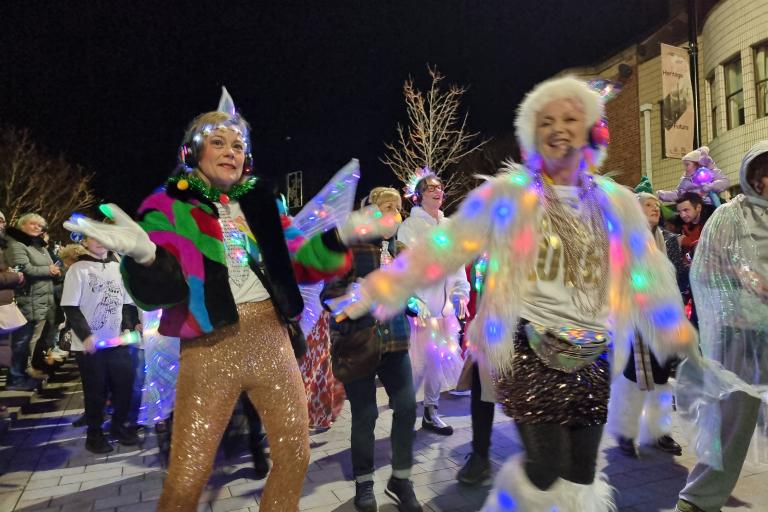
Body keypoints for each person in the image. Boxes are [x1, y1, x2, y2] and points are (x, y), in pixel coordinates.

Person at [330, 76, 697, 511]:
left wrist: (677, 334)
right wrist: (382, 287)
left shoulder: (615, 202)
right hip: (531, 348)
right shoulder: (511, 195)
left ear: (590, 130)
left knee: (581, 471)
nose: (559, 128)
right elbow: (445, 247)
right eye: (548, 120)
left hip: (596, 354)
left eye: (571, 119)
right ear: (533, 133)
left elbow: (648, 273)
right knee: (543, 470)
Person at [64, 89, 390, 511]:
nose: (231, 152)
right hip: (209, 348)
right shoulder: (169, 206)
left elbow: (299, 263)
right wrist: (145, 256)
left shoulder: (263, 204)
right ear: (193, 151)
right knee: (187, 477)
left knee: (296, 452)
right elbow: (156, 294)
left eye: (239, 145)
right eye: (218, 142)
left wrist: (338, 237)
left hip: (271, 339)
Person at [675, 141, 768, 512]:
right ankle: (699, 497)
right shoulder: (731, 215)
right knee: (734, 416)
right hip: (744, 334)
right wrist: (749, 281)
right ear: (757, 178)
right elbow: (710, 268)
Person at [322, 186, 420, 512]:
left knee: (406, 407)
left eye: (397, 208)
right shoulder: (350, 247)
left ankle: (401, 479)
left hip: (396, 342)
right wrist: (356, 295)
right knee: (365, 415)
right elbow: (330, 297)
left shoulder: (403, 251)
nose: (392, 214)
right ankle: (364, 483)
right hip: (358, 343)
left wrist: (411, 299)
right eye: (385, 207)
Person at [606, 192, 682, 458]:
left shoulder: (668, 241)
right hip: (635, 319)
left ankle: (659, 431)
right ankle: (625, 431)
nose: (655, 209)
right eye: (648, 205)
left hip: (664, 319)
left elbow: (678, 277)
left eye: (657, 205)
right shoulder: (624, 240)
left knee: (661, 376)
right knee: (632, 375)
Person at [398, 173, 470, 435]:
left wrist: (461, 293)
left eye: (440, 187)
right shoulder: (410, 227)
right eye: (430, 188)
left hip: (444, 311)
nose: (437, 191)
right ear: (419, 195)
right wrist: (412, 299)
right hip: (421, 309)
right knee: (416, 364)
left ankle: (431, 412)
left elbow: (458, 264)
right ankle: (404, 414)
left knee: (437, 364)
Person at [61, 235, 142, 453]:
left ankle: (119, 427)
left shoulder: (118, 268)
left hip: (117, 341)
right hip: (90, 345)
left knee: (123, 386)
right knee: (95, 390)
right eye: (94, 238)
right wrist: (86, 335)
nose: (101, 241)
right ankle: (94, 435)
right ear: (85, 242)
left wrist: (129, 325)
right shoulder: (78, 269)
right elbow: (70, 307)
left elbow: (127, 303)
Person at [5, 213, 61, 390]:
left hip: (43, 299)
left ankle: (24, 373)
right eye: (33, 224)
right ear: (22, 225)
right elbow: (22, 268)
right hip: (27, 298)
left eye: (40, 225)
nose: (38, 227)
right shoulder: (17, 245)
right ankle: (15, 379)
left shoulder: (40, 246)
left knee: (32, 340)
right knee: (21, 342)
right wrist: (49, 270)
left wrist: (56, 271)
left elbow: (51, 266)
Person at [657, 146, 729, 205]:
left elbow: (725, 182)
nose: (685, 168)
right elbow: (679, 194)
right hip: (694, 210)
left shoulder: (710, 172)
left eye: (687, 165)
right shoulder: (685, 180)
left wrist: (710, 186)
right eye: (684, 165)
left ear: (697, 164)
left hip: (711, 206)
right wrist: (664, 195)